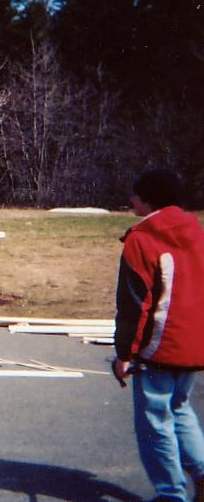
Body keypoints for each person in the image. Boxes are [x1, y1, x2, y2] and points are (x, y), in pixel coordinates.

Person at [113, 169, 204, 501]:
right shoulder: (196, 231)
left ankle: (171, 493)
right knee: (178, 407)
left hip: (160, 347)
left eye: (135, 195)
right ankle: (202, 472)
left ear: (148, 199)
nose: (131, 200)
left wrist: (124, 354)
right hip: (194, 343)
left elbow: (134, 305)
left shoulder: (142, 239)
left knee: (155, 422)